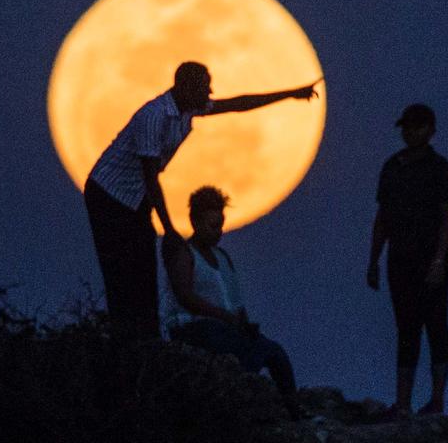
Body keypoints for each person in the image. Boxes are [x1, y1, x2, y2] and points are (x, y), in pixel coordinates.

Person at [84, 61, 319, 342]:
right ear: (184, 87)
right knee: (120, 268)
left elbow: (238, 104)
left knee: (145, 266)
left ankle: (144, 337)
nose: (210, 92)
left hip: (136, 199)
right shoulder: (154, 116)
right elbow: (150, 176)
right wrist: (169, 229)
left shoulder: (190, 109)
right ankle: (123, 337)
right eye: (203, 86)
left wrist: (291, 93)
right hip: (108, 195)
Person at [160, 185, 307, 419]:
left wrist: (244, 324)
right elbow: (184, 297)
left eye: (220, 225)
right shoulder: (185, 254)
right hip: (193, 328)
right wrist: (222, 316)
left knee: (274, 351)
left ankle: (294, 409)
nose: (218, 232)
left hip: (226, 328)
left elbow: (236, 303)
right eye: (212, 225)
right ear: (194, 221)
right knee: (229, 343)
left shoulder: (223, 257)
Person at [367, 104, 448, 418]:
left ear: (431, 130)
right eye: (407, 127)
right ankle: (403, 403)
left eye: (418, 127)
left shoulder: (440, 168)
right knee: (406, 328)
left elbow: (447, 219)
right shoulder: (392, 167)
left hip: (430, 258)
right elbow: (382, 217)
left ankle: (436, 401)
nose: (411, 133)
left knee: (435, 324)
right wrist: (373, 259)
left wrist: (438, 260)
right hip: (400, 259)